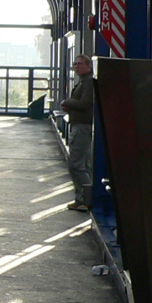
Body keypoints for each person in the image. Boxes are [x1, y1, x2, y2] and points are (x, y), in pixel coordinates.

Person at [59, 55, 94, 211]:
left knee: (76, 164)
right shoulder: (84, 82)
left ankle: (84, 199)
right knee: (83, 164)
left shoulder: (88, 83)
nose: (76, 67)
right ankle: (85, 198)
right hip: (81, 125)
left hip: (82, 127)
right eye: (75, 64)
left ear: (89, 65)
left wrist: (67, 102)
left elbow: (85, 103)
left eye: (80, 64)